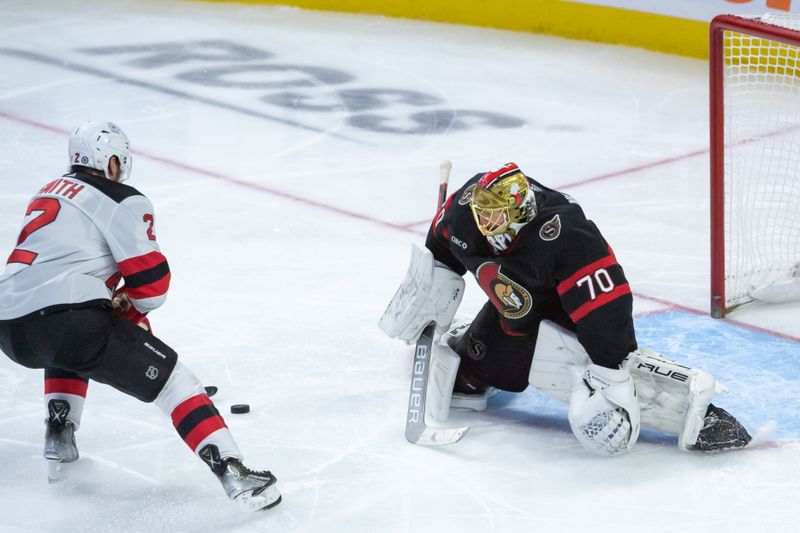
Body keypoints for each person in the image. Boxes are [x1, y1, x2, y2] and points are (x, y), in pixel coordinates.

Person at [0, 121, 281, 511]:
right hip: (68, 322)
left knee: (70, 341)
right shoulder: (119, 197)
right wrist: (129, 305)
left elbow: (49, 280)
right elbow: (152, 285)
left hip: (10, 328)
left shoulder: (49, 191)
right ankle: (234, 471)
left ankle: (59, 431)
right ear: (111, 160)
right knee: (175, 381)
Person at [380, 162, 751, 454]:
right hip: (515, 315)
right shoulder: (467, 211)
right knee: (476, 368)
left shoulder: (564, 232)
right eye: (482, 213)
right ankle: (476, 367)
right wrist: (431, 283)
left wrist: (612, 375)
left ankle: (691, 415)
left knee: (580, 368)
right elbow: (444, 240)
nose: (485, 223)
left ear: (521, 208)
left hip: (564, 305)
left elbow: (608, 303)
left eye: (495, 215)